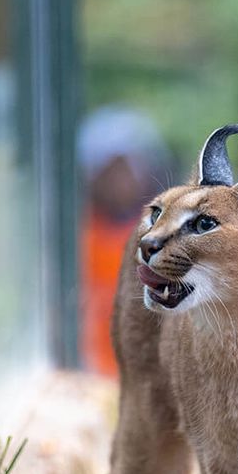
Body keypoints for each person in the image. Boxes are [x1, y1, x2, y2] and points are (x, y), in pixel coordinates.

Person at [77, 107, 174, 375]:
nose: (123, 180)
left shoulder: (164, 234)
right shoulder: (79, 235)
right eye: (112, 169)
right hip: (90, 376)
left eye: (130, 167)